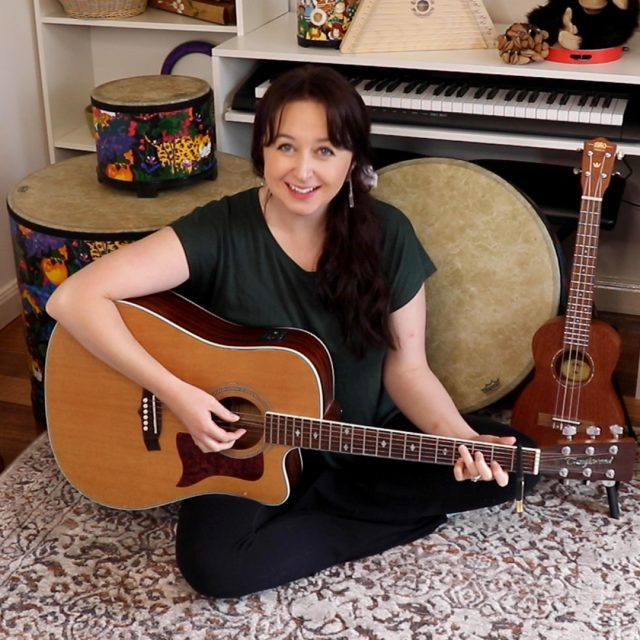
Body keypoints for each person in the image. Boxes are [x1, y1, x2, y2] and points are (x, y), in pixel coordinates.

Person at [46, 64, 537, 598]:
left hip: (363, 434)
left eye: (325, 150)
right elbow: (74, 297)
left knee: (513, 462)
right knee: (216, 569)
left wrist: (459, 442)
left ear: (353, 159)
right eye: (285, 146)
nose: (302, 171)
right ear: (262, 150)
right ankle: (378, 507)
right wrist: (178, 394)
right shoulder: (221, 228)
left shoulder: (388, 233)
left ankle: (328, 499)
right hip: (250, 445)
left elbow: (408, 368)